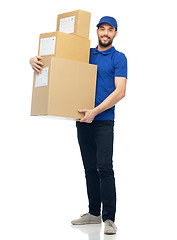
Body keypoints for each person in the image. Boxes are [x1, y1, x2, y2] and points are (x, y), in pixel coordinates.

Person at [29, 16, 127, 235]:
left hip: (103, 121)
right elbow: (57, 61)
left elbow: (120, 91)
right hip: (82, 119)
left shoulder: (119, 58)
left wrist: (95, 112)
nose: (105, 33)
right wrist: (33, 61)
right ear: (97, 31)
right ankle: (94, 213)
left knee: (105, 168)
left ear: (115, 34)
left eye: (110, 30)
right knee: (90, 168)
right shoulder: (85, 54)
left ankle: (109, 219)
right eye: (102, 29)